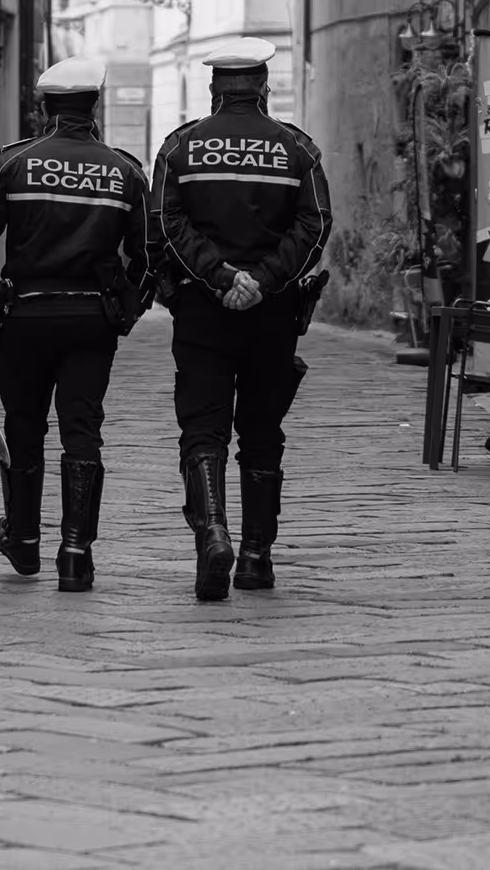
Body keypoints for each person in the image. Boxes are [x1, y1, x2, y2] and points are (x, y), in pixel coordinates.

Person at [0, 57, 152, 592]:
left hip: (26, 317)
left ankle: (22, 540)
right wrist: (130, 305)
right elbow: (151, 254)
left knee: (24, 426)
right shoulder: (125, 171)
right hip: (91, 319)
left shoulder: (16, 164)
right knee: (83, 431)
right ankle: (75, 553)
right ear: (95, 104)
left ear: (44, 107)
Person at [151, 38, 332, 602]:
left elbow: (162, 225)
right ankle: (256, 556)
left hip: (203, 312)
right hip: (272, 315)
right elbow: (316, 223)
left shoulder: (180, 148)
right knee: (262, 433)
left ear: (213, 88)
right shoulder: (297, 150)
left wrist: (221, 278)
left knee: (203, 429)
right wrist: (264, 282)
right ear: (264, 86)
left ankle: (212, 536)